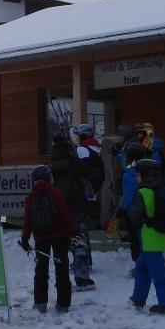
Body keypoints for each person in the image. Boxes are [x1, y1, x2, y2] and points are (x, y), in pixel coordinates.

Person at [19, 165, 75, 313]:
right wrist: (73, 231)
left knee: (41, 271)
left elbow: (28, 220)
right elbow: (65, 213)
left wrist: (25, 238)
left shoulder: (30, 197)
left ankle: (40, 303)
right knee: (62, 269)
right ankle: (63, 304)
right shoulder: (56, 193)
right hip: (60, 236)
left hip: (40, 238)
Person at [127, 158, 165, 314]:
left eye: (138, 175)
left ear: (144, 176)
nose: (136, 178)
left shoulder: (143, 192)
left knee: (158, 273)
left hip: (150, 238)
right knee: (142, 267)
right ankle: (138, 298)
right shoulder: (161, 189)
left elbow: (134, 216)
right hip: (161, 235)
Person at [72, 124, 102, 290]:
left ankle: (83, 263)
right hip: (92, 195)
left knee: (79, 231)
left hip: (81, 196)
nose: (75, 138)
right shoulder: (95, 148)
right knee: (83, 229)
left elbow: (78, 171)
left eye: (77, 136)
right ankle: (86, 260)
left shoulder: (83, 151)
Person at [117, 140, 147, 275]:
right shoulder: (150, 168)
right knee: (147, 240)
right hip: (150, 209)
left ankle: (140, 267)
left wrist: (122, 210)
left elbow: (128, 195)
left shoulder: (130, 173)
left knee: (137, 240)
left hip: (135, 212)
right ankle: (149, 263)